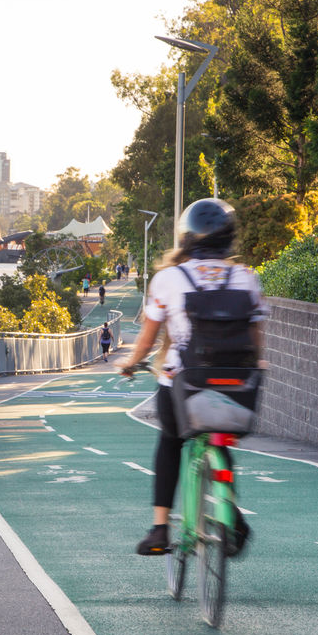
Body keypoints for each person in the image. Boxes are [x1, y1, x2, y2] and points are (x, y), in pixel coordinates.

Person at [118, 197, 267, 556]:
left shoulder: (169, 278)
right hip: (236, 382)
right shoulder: (247, 278)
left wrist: (131, 363)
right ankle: (231, 515)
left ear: (187, 237)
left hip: (185, 382)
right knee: (221, 435)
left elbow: (149, 338)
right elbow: (257, 341)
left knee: (171, 441)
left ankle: (158, 529)